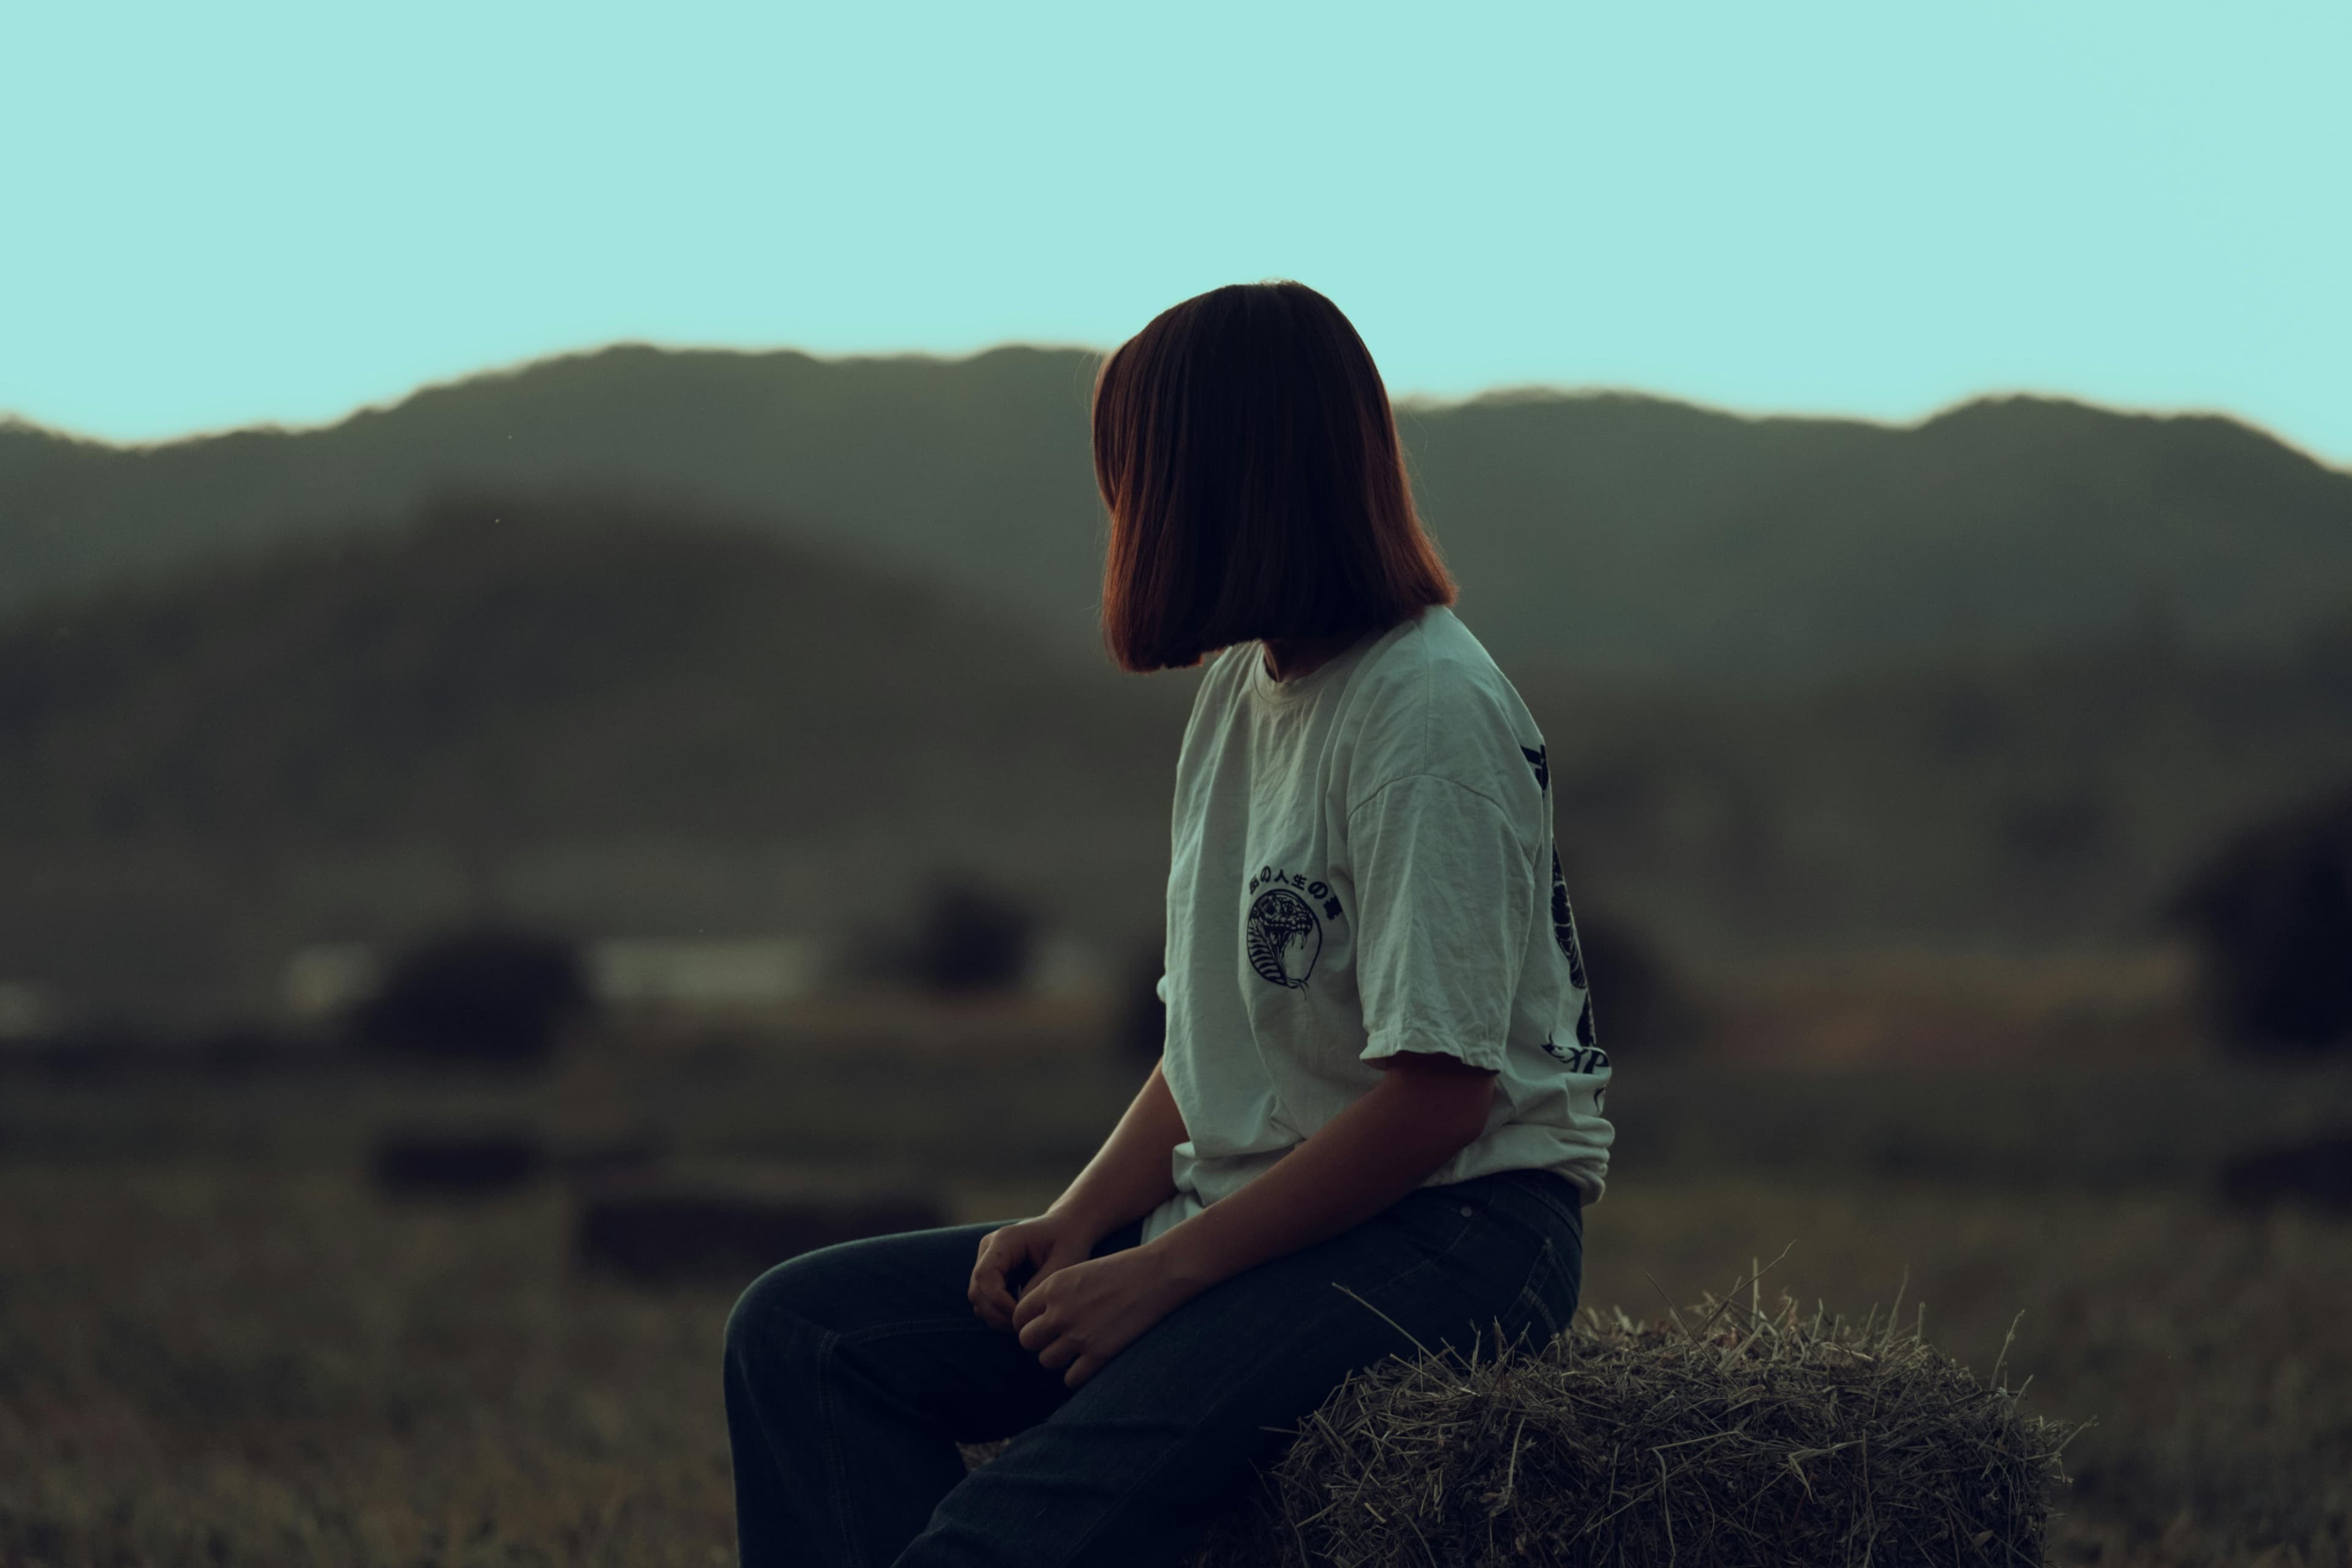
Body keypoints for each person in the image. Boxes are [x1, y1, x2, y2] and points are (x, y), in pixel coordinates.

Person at [723, 280, 1614, 1568]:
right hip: (1264, 1204)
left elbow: (1440, 1102)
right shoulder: (1244, 693)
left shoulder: (1426, 714)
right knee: (800, 1335)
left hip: (1459, 1229)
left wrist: (1165, 1270)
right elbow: (1221, 1051)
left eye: (1135, 472)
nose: (1120, 509)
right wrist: (1081, 1215)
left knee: (994, 1543)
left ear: (1220, 481)